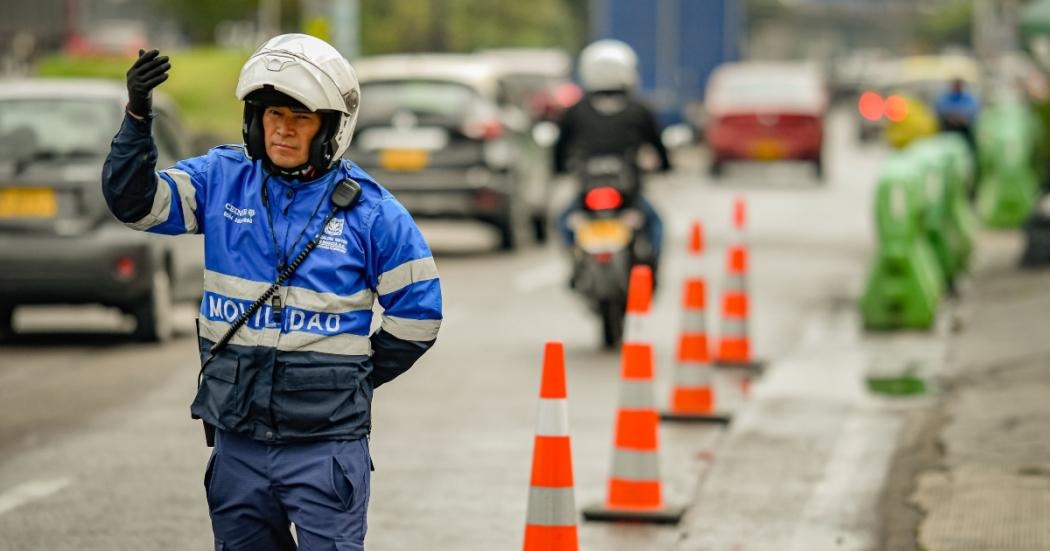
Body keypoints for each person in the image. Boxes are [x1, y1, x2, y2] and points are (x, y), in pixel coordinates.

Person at [102, 34, 442, 550]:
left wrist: (350, 377)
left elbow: (420, 313)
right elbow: (135, 203)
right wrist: (137, 115)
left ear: (330, 127)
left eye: (300, 118)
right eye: (273, 114)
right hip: (237, 441)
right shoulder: (221, 179)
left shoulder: (373, 212)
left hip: (325, 447)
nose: (282, 129)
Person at [553, 39, 671, 275]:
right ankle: (652, 266)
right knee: (655, 223)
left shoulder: (576, 111)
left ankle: (573, 259)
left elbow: (559, 148)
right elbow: (659, 146)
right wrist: (666, 166)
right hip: (627, 194)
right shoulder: (639, 110)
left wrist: (557, 169)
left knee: (563, 219)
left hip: (590, 194)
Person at [935, 78, 980, 153]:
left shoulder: (968, 98)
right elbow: (941, 109)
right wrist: (951, 117)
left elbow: (972, 110)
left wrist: (961, 117)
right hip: (949, 126)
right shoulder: (945, 97)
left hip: (964, 127)